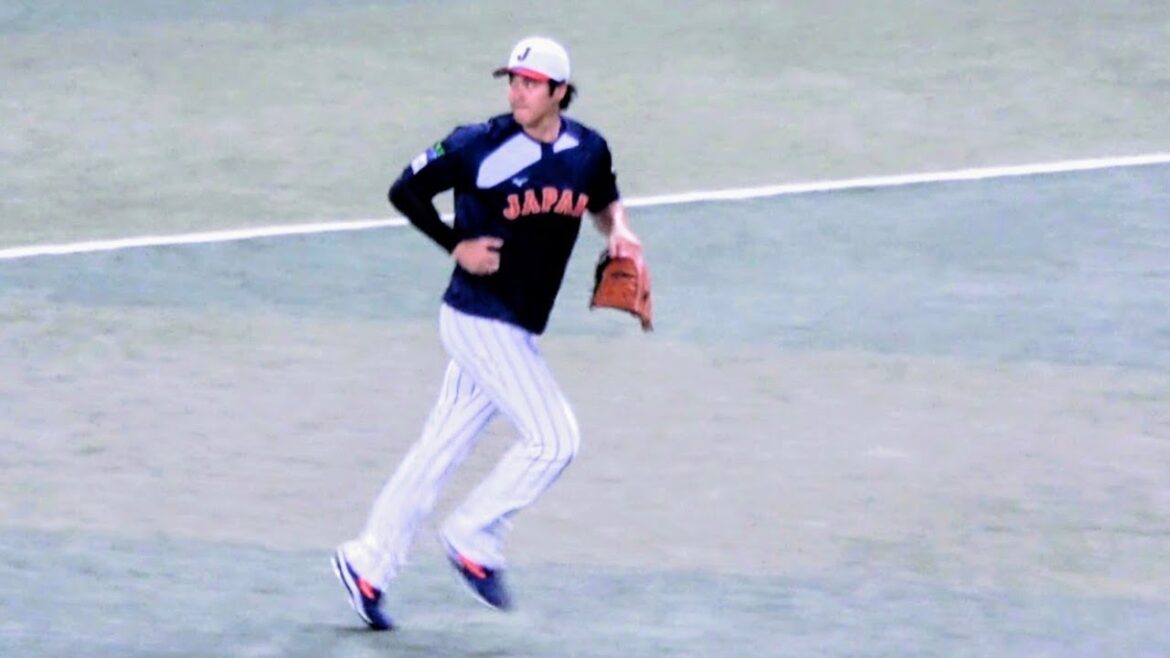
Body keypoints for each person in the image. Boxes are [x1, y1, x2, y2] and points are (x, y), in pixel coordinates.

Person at [331, 36, 646, 631]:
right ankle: (474, 535)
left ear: (559, 92)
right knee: (555, 439)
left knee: (440, 448)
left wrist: (619, 233)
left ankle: (366, 561)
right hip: (477, 318)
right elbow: (405, 188)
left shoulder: (587, 149)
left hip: (517, 326)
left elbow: (604, 200)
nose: (517, 91)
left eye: (530, 82)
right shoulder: (479, 142)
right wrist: (456, 244)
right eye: (512, 80)